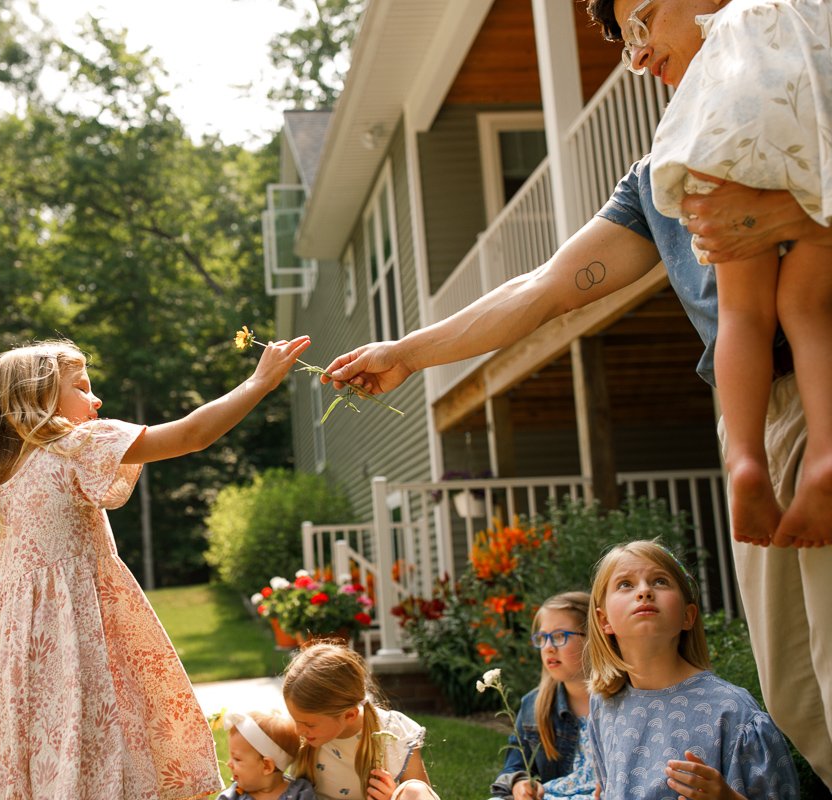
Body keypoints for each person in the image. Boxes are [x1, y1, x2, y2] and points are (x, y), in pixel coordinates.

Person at [319, 0, 832, 786]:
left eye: (643, 22)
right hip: (757, 420)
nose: (636, 55)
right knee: (802, 694)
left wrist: (805, 218)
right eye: (622, 38)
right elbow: (548, 284)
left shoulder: (813, 58)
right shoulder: (664, 173)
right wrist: (407, 353)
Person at [0, 335, 311, 799]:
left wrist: (33, 658)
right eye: (80, 387)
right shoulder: (72, 447)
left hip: (20, 678)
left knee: (49, 777)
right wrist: (259, 382)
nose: (95, 398)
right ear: (33, 399)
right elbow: (190, 435)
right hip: (88, 655)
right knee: (112, 763)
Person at [647, 0, 832, 547]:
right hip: (808, 99)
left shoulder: (722, 32)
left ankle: (747, 461)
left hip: (723, 117)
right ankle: (824, 453)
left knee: (741, 313)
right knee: (807, 305)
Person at [585, 540, 799, 798]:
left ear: (688, 616)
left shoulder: (733, 712)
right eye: (625, 584)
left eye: (660, 581)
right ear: (604, 620)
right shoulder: (603, 705)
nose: (644, 591)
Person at [281, 642, 439, 800]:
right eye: (295, 720)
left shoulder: (393, 731)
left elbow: (422, 795)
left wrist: (393, 798)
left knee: (415, 790)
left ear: (349, 715)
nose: (298, 731)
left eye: (309, 725)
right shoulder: (301, 736)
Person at [488, 592, 593, 800]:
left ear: (592, 638)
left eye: (559, 636)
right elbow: (513, 767)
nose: (548, 648)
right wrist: (520, 783)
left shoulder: (624, 699)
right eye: (542, 638)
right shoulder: (534, 705)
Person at [219, 709, 317, 800]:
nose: (229, 764)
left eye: (237, 759)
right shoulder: (232, 797)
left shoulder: (300, 794)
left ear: (267, 766)